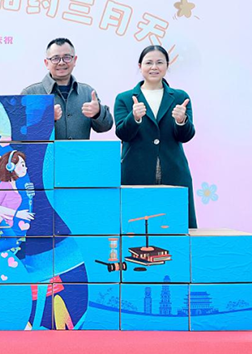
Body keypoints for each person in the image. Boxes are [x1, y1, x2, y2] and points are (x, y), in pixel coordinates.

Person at [114, 45, 197, 228]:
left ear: (167, 65)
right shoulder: (125, 98)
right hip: (135, 170)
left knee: (175, 224)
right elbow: (122, 133)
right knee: (135, 226)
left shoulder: (180, 97)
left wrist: (181, 121)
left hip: (173, 169)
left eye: (159, 62)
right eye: (148, 62)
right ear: (140, 66)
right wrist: (134, 118)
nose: (154, 67)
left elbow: (186, 136)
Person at [21, 38, 113, 139]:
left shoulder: (87, 93)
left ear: (74, 60)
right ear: (46, 63)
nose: (61, 63)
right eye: (55, 58)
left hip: (78, 150)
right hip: (46, 150)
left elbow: (106, 126)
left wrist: (98, 113)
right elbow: (21, 135)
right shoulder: (30, 93)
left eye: (67, 57)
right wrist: (47, 119)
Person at [0, 150, 35, 231]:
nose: (25, 168)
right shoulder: (4, 186)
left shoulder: (14, 186)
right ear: (10, 166)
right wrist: (18, 214)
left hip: (8, 227)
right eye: (22, 165)